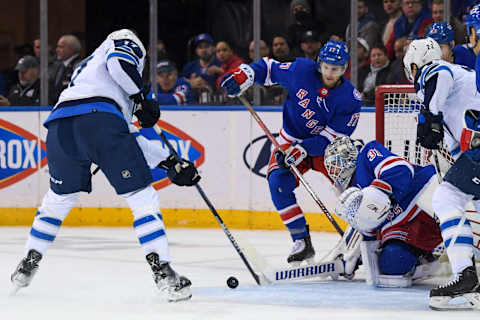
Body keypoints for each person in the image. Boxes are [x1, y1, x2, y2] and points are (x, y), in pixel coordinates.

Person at [10, 29, 200, 303]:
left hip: (60, 125)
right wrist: (142, 96)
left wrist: (170, 162)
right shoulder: (123, 39)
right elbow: (119, 66)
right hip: (98, 120)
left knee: (58, 200)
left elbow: (128, 140)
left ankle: (28, 262)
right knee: (141, 196)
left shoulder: (85, 70)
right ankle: (164, 273)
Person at [220, 40, 362, 265]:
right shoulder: (301, 71)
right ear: (319, 63)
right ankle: (301, 241)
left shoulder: (350, 98)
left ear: (344, 69)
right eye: (326, 66)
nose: (329, 73)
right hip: (291, 140)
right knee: (277, 180)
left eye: (335, 69)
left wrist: (304, 150)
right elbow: (268, 69)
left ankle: (362, 239)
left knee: (354, 185)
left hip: (327, 149)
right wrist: (244, 74)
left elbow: (332, 137)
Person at [405, 37, 480, 310]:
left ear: (414, 66)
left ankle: (466, 276)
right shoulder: (464, 81)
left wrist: (430, 116)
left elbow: (440, 72)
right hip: (474, 152)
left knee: (447, 198)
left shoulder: (436, 70)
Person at [322, 136, 443, 287]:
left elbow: (402, 169)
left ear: (348, 155)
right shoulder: (352, 195)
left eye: (336, 163)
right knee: (391, 263)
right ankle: (427, 261)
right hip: (402, 226)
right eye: (331, 167)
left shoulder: (367, 154)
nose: (334, 171)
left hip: (423, 198)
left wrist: (378, 192)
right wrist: (354, 255)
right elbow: (370, 231)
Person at [49, 34, 83, 104]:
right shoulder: (58, 66)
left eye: (61, 47)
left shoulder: (79, 66)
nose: (57, 50)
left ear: (71, 48)